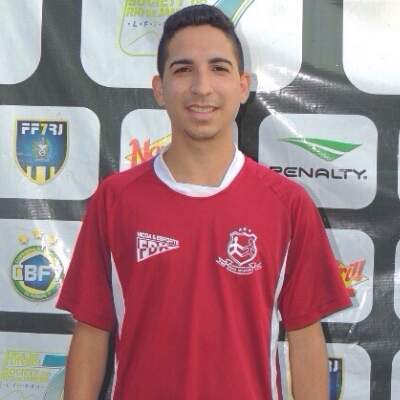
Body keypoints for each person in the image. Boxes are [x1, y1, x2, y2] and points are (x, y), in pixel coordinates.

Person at [57, 4, 350, 399]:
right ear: (159, 88)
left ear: (243, 86)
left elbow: (305, 336)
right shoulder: (115, 200)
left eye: (218, 68)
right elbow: (92, 331)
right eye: (183, 70)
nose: (202, 87)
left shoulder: (287, 204)